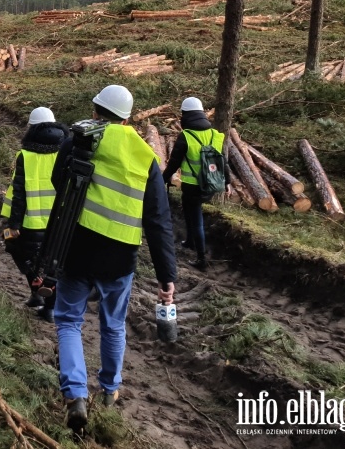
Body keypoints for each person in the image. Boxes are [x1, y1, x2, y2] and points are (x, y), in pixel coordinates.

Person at [52, 84, 176, 431]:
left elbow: (56, 178)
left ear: (95, 110)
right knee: (113, 324)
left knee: (69, 321)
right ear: (127, 118)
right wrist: (168, 275)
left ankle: (75, 394)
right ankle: (109, 390)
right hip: (120, 256)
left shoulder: (80, 137)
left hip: (77, 246)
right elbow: (157, 219)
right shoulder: (144, 154)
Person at [1, 107, 69, 322]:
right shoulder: (66, 150)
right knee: (52, 264)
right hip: (59, 220)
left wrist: (14, 222)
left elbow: (19, 192)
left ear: (31, 128)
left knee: (25, 257)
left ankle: (45, 302)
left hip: (31, 221)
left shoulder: (25, 155)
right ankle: (43, 299)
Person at [162, 97, 228, 270]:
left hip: (192, 186)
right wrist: (227, 180)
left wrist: (161, 179)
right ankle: (190, 241)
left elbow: (174, 163)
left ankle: (201, 259)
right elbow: (222, 161)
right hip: (211, 185)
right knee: (190, 210)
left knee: (195, 216)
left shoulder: (186, 136)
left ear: (185, 115)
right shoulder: (214, 134)